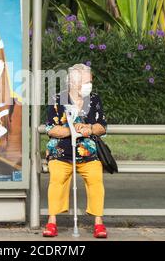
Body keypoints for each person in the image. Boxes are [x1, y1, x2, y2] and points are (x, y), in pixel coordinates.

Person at [42, 63, 108, 238]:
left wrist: (90, 128)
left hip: (88, 154)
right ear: (72, 82)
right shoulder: (57, 100)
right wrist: (73, 131)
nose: (90, 85)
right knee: (57, 179)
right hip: (61, 153)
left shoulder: (94, 100)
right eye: (87, 81)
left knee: (95, 179)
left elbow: (102, 126)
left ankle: (99, 223)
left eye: (90, 81)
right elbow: (51, 129)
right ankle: (52, 221)